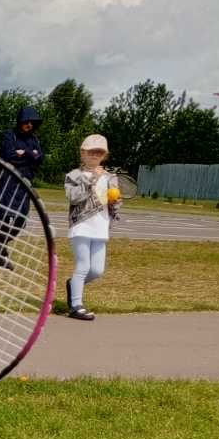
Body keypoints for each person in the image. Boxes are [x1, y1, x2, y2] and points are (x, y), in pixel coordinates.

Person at [64, 132, 120, 322]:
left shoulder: (110, 177)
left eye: (99, 152)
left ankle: (73, 284)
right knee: (83, 265)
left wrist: (115, 202)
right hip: (81, 226)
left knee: (96, 270)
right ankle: (76, 305)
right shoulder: (74, 175)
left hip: (100, 227)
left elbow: (114, 203)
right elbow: (74, 197)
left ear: (104, 155)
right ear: (83, 153)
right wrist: (92, 179)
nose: (95, 155)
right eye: (91, 152)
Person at [0, 105, 43, 268]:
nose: (29, 125)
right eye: (27, 121)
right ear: (20, 121)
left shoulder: (34, 139)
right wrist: (29, 154)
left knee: (21, 220)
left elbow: (40, 158)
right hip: (7, 182)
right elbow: (9, 156)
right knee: (4, 219)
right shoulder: (9, 135)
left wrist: (23, 153)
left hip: (24, 184)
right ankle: (1, 254)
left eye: (32, 122)